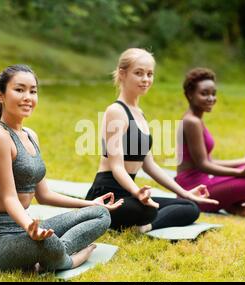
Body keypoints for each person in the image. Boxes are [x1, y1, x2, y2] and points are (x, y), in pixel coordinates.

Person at [0, 64, 123, 273]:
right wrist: (30, 229)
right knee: (48, 240)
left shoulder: (30, 135)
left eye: (33, 91)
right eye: (19, 90)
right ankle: (67, 260)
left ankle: (53, 255)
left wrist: (90, 203)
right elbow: (10, 198)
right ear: (0, 95)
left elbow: (44, 195)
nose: (28, 97)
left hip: (26, 229)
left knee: (100, 214)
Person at [85, 49, 218, 233]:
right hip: (108, 194)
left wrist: (185, 192)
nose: (145, 79)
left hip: (130, 193)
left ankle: (146, 227)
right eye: (138, 73)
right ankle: (126, 216)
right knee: (147, 208)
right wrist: (136, 192)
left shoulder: (139, 114)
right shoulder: (116, 111)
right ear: (123, 74)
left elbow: (150, 165)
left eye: (149, 74)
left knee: (190, 206)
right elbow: (117, 167)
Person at [175, 68, 245, 218]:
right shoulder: (191, 122)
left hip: (204, 180)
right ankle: (230, 205)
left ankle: (230, 204)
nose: (211, 98)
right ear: (190, 95)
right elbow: (203, 165)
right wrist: (239, 172)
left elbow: (209, 161)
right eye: (204, 93)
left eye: (213, 93)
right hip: (192, 189)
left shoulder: (196, 119)